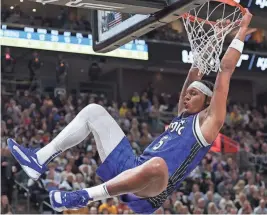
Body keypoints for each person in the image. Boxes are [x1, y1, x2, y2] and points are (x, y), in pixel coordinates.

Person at [7, 9, 253, 214]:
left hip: (153, 189)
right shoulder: (182, 115)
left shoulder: (210, 122)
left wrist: (240, 31)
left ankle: (81, 197)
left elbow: (225, 70)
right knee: (94, 111)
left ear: (208, 102)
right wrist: (215, 36)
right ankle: (38, 160)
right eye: (186, 93)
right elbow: (194, 71)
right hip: (132, 167)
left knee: (157, 165)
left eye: (194, 94)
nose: (186, 95)